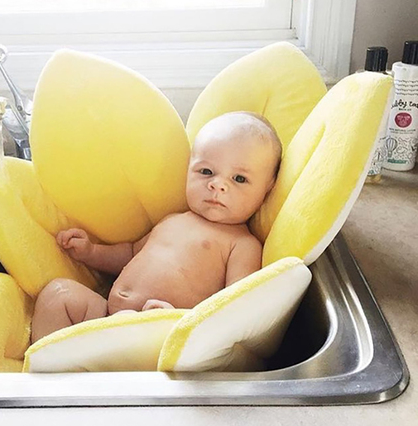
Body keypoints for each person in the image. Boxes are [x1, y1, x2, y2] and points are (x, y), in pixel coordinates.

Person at [31, 111, 282, 343]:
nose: (217, 185)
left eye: (239, 179)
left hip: (164, 334)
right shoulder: (172, 220)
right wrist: (91, 253)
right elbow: (130, 253)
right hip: (105, 317)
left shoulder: (242, 245)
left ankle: (73, 374)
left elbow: (234, 307)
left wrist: (177, 320)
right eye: (206, 171)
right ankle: (46, 380)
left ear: (267, 188)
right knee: (57, 295)